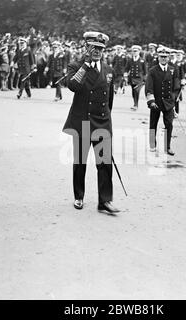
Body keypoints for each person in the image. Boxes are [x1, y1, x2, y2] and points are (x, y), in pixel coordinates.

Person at [63, 31, 120, 215]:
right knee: (80, 162)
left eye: (101, 48)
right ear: (86, 47)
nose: (97, 51)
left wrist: (108, 124)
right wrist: (85, 66)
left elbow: (109, 101)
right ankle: (79, 196)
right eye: (94, 47)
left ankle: (105, 200)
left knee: (104, 163)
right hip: (82, 122)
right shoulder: (76, 66)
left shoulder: (109, 70)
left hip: (102, 122)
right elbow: (73, 86)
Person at [145, 47, 180, 156]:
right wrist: (151, 101)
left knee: (169, 124)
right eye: (161, 57)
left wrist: (173, 101)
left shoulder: (173, 70)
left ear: (169, 57)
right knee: (153, 124)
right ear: (158, 57)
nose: (164, 59)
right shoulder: (153, 70)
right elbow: (148, 87)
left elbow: (176, 87)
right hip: (156, 102)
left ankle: (167, 146)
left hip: (168, 102)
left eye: (165, 57)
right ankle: (152, 144)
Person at [124, 45, 146, 111]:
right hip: (132, 78)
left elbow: (145, 71)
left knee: (137, 90)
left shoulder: (142, 60)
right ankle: (135, 103)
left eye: (136, 51)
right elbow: (126, 69)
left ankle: (136, 105)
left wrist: (145, 79)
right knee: (133, 91)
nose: (134, 52)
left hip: (139, 78)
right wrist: (125, 76)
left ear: (139, 51)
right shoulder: (130, 60)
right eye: (133, 51)